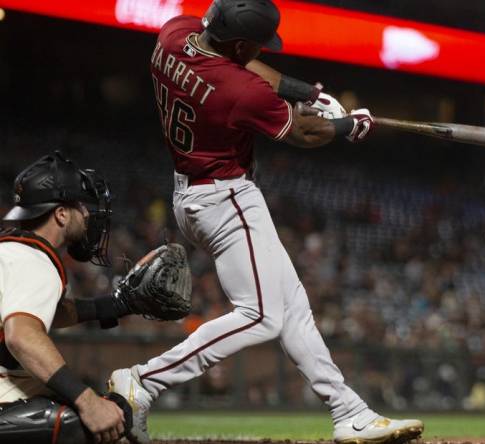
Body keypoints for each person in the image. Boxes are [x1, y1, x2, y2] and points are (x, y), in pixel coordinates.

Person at [107, 1, 423, 443]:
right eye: (254, 44)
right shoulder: (238, 91)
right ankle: (145, 379)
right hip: (225, 196)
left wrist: (306, 94)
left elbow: (245, 65)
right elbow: (304, 133)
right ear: (238, 42)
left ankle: (349, 411)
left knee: (291, 304)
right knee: (261, 316)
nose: (260, 50)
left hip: (193, 189)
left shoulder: (174, 34)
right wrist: (350, 126)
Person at [0, 153, 128, 444]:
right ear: (61, 214)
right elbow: (20, 335)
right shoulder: (33, 258)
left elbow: (41, 313)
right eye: (81, 206)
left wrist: (116, 305)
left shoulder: (12, 250)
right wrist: (87, 401)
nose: (87, 214)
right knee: (80, 422)